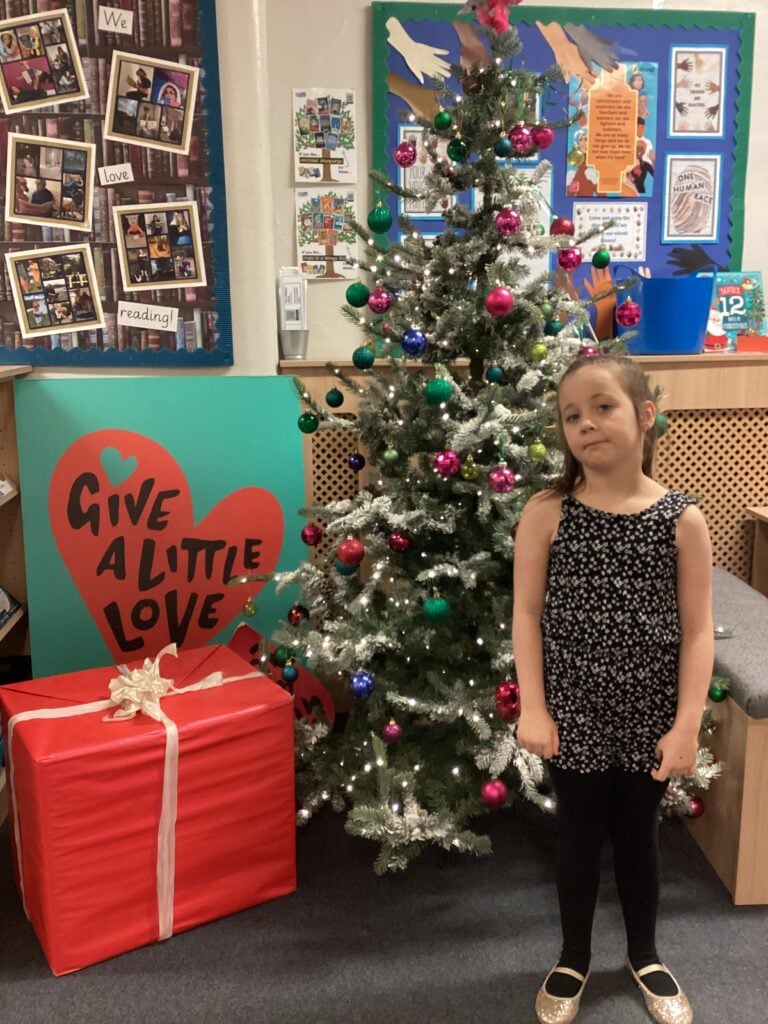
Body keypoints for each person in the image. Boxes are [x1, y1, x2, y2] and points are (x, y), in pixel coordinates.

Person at [512, 354, 713, 1024]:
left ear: (644, 415)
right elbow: (527, 614)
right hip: (574, 715)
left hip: (650, 716)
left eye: (603, 407)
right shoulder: (547, 512)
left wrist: (685, 725)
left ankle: (645, 953)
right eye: (572, 415)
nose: (587, 424)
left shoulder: (682, 519)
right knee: (576, 839)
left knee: (638, 839)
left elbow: (697, 631)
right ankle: (573, 957)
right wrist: (535, 707)